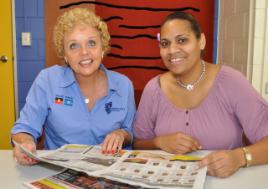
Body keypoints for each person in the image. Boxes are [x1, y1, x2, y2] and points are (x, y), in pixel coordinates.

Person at [133, 11, 268, 178]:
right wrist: (159, 142)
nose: (172, 50)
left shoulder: (231, 82)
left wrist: (239, 157)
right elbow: (137, 143)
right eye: (165, 43)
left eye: (182, 40)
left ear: (201, 41)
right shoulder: (154, 89)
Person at [11, 8, 135, 165]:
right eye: (73, 46)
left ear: (102, 47)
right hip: (59, 170)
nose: (84, 52)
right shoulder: (47, 80)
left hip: (109, 170)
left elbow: (130, 132)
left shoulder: (124, 85)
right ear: (64, 55)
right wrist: (25, 142)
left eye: (91, 43)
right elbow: (23, 128)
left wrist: (121, 134)